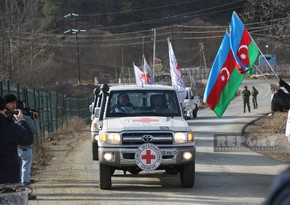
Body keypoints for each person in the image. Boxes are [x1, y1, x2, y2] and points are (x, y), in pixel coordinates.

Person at [4, 94, 37, 186]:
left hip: (13, 148)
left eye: (15, 102)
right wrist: (29, 119)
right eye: (11, 103)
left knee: (17, 168)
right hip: (23, 147)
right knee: (25, 166)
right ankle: (24, 184)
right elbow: (33, 131)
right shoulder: (23, 118)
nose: (14, 105)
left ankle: (18, 185)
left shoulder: (6, 118)